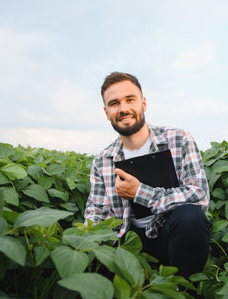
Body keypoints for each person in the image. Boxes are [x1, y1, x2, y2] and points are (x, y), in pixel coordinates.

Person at [84, 71, 210, 279]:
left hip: (169, 235)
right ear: (107, 113)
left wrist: (140, 192)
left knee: (190, 218)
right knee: (98, 247)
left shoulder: (178, 140)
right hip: (129, 244)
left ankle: (185, 288)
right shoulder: (103, 161)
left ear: (143, 103)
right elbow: (94, 213)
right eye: (114, 103)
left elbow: (200, 195)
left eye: (130, 100)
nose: (123, 109)